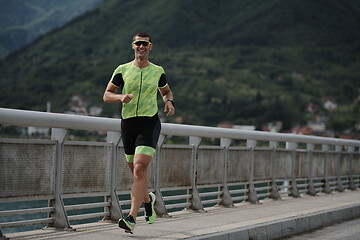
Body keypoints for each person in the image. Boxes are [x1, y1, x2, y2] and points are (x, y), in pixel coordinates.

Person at [103, 32, 175, 234]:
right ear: (133, 46)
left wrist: (168, 101)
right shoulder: (122, 70)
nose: (141, 47)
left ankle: (131, 218)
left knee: (140, 169)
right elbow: (106, 95)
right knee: (136, 173)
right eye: (138, 44)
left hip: (149, 123)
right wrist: (120, 97)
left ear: (150, 46)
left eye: (145, 44)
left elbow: (166, 91)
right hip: (128, 125)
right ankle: (148, 199)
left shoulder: (157, 71)